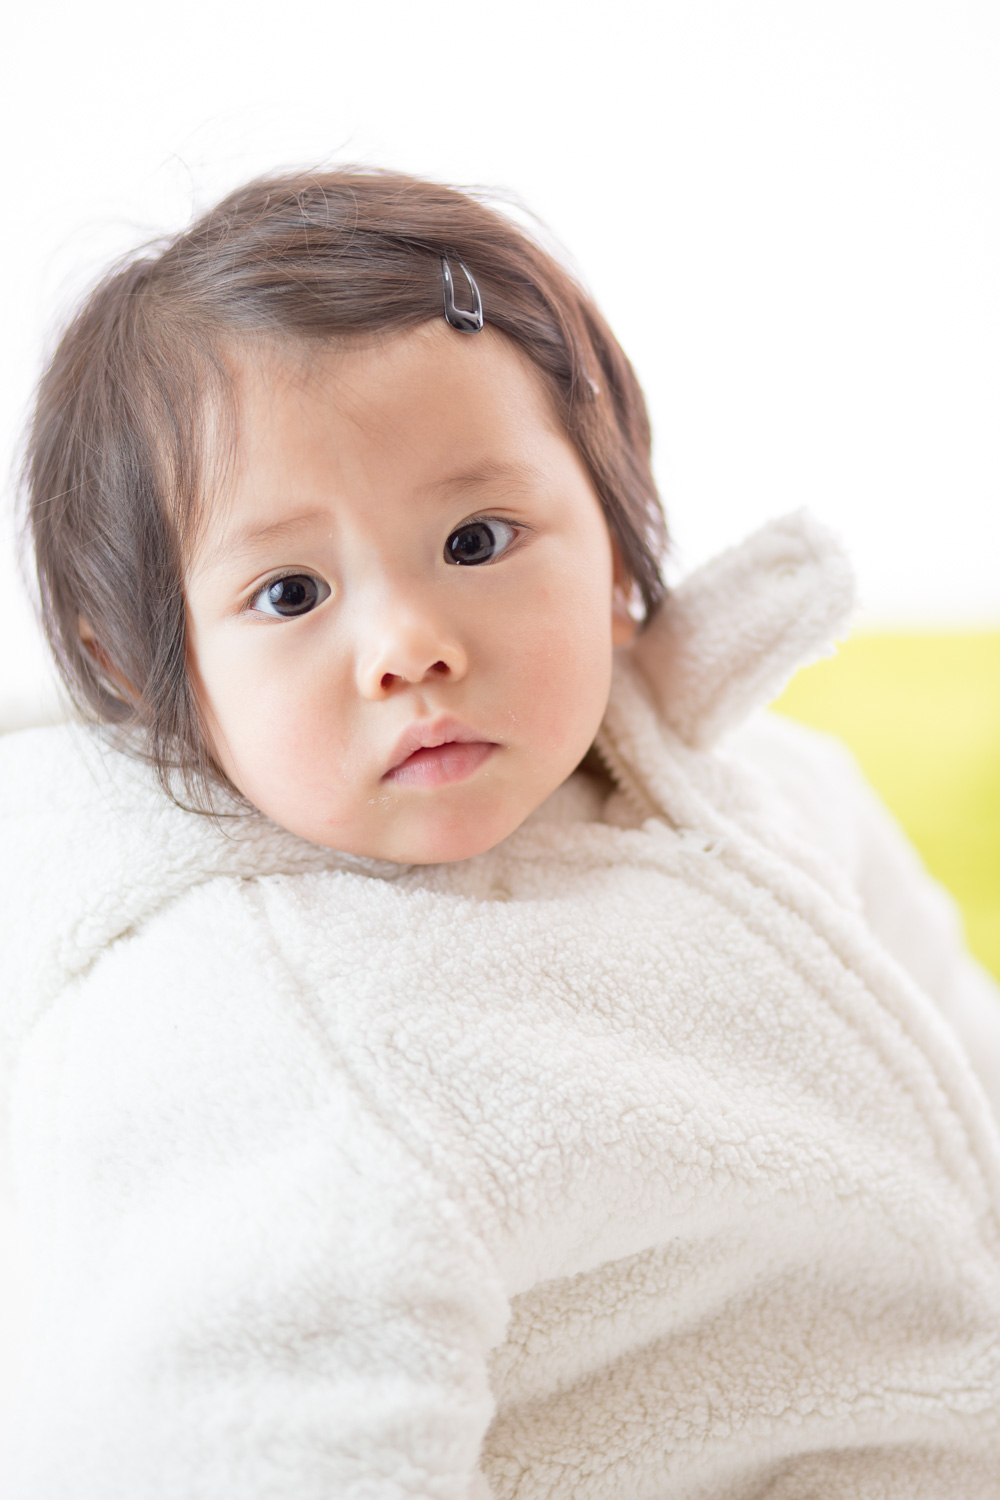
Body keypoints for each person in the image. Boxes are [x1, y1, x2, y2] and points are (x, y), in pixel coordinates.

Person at [2, 167, 1000, 1499]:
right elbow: (238, 1451)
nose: (409, 645)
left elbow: (964, 1055)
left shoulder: (767, 784)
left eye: (476, 539)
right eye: (291, 592)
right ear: (138, 666)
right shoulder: (256, 1027)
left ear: (617, 550)